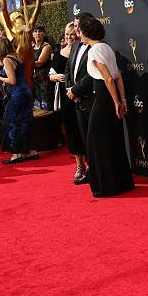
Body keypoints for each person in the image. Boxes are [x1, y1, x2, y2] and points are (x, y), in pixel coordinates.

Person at [77, 15, 134, 197]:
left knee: (96, 142)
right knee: (113, 140)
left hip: (103, 98)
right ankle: (121, 182)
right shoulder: (106, 47)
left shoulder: (94, 51)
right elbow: (118, 77)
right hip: (111, 97)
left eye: (80, 31)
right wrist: (122, 100)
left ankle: (106, 186)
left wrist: (116, 102)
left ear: (86, 33)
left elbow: (109, 78)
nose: (78, 34)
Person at [0, 36, 39, 164]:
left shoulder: (7, 60)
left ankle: (17, 154)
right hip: (25, 92)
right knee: (25, 121)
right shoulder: (17, 56)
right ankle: (29, 151)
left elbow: (12, 81)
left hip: (17, 94)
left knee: (12, 122)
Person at [50, 22, 87, 182]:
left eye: (72, 33)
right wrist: (55, 77)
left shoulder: (83, 50)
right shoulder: (59, 53)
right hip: (66, 99)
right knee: (72, 131)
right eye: (67, 34)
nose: (69, 37)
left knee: (85, 131)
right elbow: (50, 74)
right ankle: (79, 165)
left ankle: (91, 164)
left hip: (82, 98)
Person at [65, 12, 95, 184]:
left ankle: (94, 171)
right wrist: (70, 90)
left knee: (92, 138)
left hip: (90, 99)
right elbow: (69, 70)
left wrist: (76, 90)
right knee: (83, 137)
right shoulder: (76, 45)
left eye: (78, 26)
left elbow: (92, 74)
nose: (76, 29)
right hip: (76, 101)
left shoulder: (95, 46)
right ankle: (89, 169)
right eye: (74, 26)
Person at [32, 26, 54, 110]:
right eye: (35, 31)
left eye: (40, 31)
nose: (38, 33)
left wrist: (26, 63)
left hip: (44, 78)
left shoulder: (46, 46)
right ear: (32, 34)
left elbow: (40, 63)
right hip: (34, 79)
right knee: (37, 103)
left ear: (44, 34)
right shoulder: (31, 46)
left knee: (46, 103)